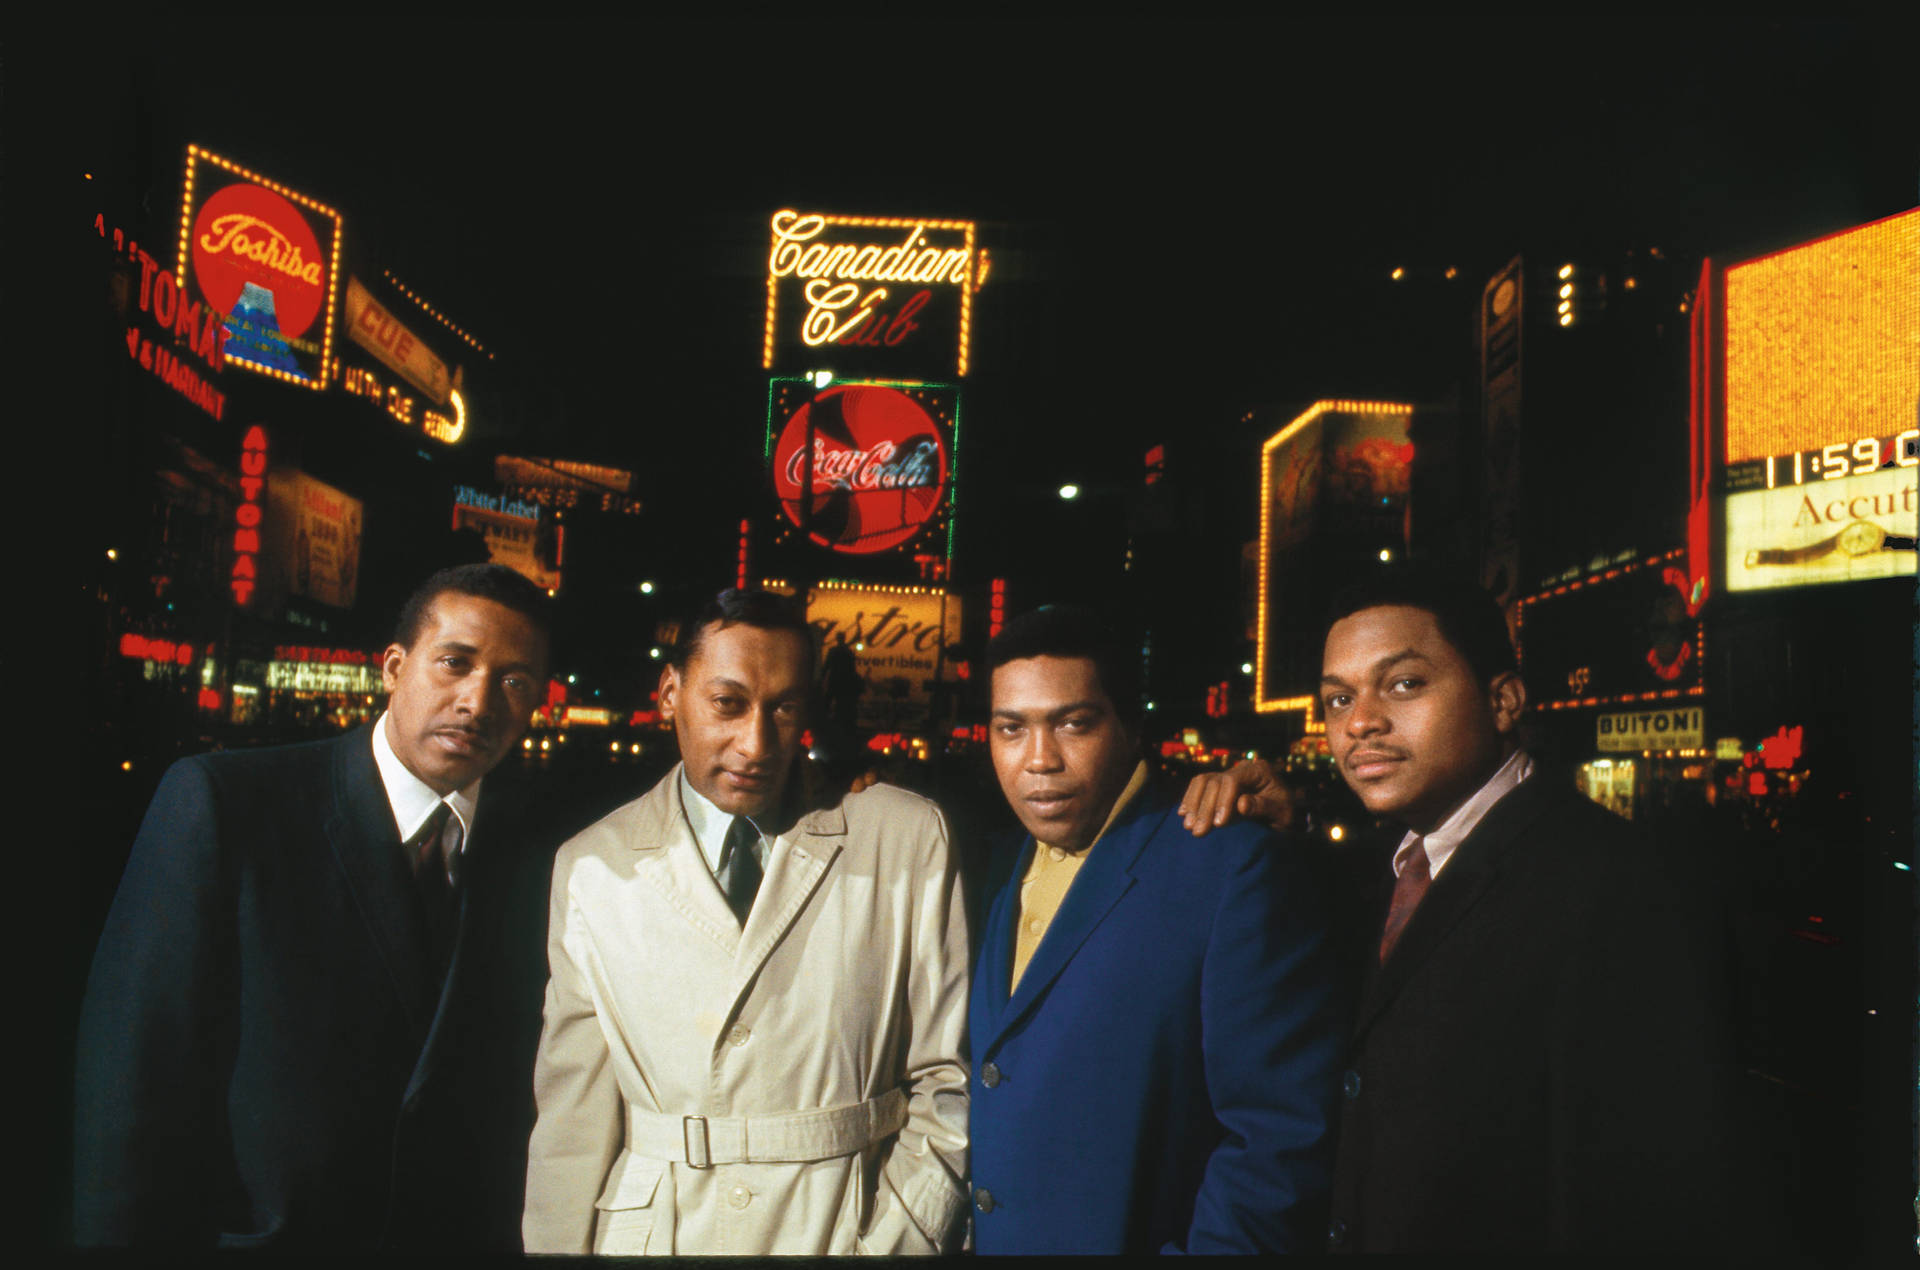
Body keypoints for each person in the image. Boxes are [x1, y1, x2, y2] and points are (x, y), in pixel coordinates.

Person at [1179, 568, 1738, 1254]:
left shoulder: (1613, 881)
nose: (1360, 722)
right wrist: (1288, 828)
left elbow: (1645, 1195)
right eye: (1336, 699)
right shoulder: (1394, 867)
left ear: (1503, 701)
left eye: (1404, 683)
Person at [73, 563, 554, 1251]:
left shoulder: (545, 851)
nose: (477, 701)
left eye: (514, 680)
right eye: (455, 663)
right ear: (393, 666)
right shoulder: (227, 803)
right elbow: (132, 1076)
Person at [522, 588, 968, 1256]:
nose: (756, 742)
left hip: (845, 1229)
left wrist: (897, 1241)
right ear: (670, 692)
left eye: (783, 708)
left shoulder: (904, 838)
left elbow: (949, 1082)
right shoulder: (592, 866)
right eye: (727, 704)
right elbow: (572, 1121)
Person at [967, 605, 1343, 1254]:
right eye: (1011, 729)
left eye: (1074, 724)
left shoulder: (1228, 862)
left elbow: (1277, 1138)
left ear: (1131, 727)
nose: (1039, 759)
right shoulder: (993, 863)